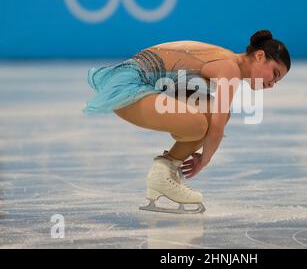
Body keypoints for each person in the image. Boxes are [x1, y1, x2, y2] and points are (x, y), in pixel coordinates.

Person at [83, 30, 291, 214]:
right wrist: (203, 161)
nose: (272, 84)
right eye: (274, 73)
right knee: (201, 124)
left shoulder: (229, 62)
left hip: (146, 84)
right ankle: (162, 176)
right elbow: (216, 130)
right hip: (129, 84)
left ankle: (164, 171)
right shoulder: (230, 68)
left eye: (277, 81)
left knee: (212, 115)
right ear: (260, 56)